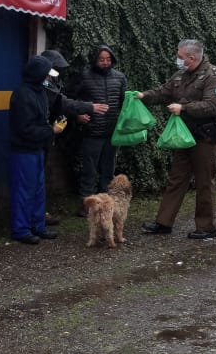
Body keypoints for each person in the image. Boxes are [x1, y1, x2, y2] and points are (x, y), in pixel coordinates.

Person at [138, 38, 216, 239]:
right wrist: (143, 96)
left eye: (180, 57)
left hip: (205, 137)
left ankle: (206, 228)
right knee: (177, 179)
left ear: (191, 57)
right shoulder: (181, 75)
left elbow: (215, 106)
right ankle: (163, 222)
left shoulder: (213, 76)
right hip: (183, 136)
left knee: (204, 182)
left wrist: (184, 108)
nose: (177, 60)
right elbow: (164, 92)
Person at [39, 49, 108, 225]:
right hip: (41, 135)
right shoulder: (42, 84)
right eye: (54, 68)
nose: (57, 72)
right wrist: (89, 107)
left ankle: (39, 212)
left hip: (50, 133)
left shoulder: (53, 80)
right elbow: (63, 101)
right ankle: (37, 214)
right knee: (36, 177)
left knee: (40, 176)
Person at [65, 44, 127, 214]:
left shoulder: (120, 78)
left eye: (108, 59)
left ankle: (105, 204)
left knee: (108, 170)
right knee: (89, 171)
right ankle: (87, 205)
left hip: (112, 132)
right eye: (101, 59)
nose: (105, 62)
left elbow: (124, 103)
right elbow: (67, 99)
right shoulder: (83, 76)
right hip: (91, 131)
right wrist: (77, 115)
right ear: (94, 60)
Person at [8, 55, 58, 244]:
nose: (49, 78)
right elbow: (25, 128)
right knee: (23, 191)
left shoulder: (39, 91)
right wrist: (50, 130)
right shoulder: (22, 95)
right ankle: (21, 229)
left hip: (37, 148)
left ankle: (38, 226)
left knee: (38, 190)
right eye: (46, 74)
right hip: (24, 150)